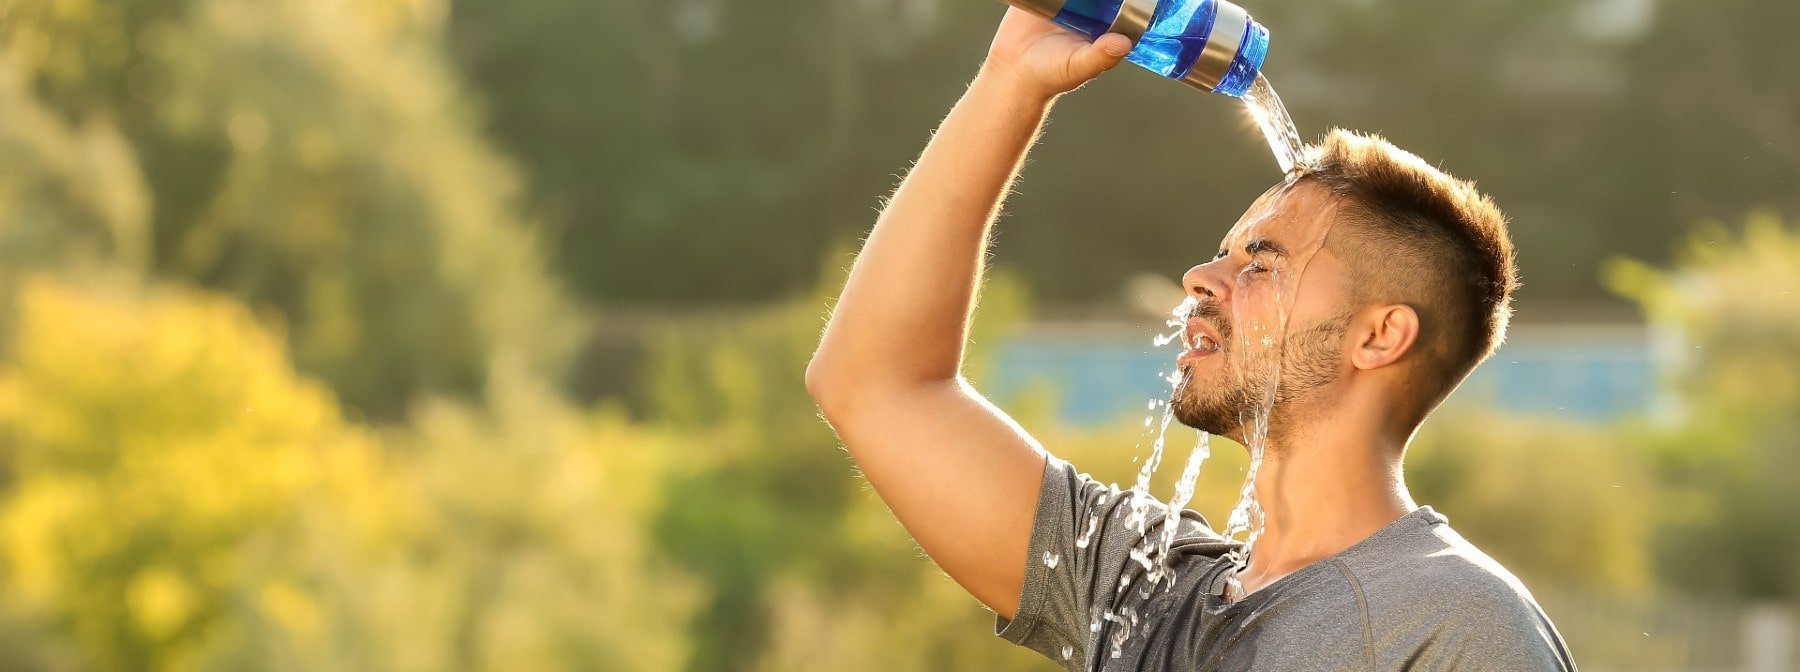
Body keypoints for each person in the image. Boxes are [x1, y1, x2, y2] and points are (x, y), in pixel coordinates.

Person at [804, 8, 1577, 671]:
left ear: (1379, 336)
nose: (1200, 278)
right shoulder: (1146, 588)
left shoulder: (1455, 625)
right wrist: (1011, 77)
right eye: (1224, 253)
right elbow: (875, 384)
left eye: (1261, 262)